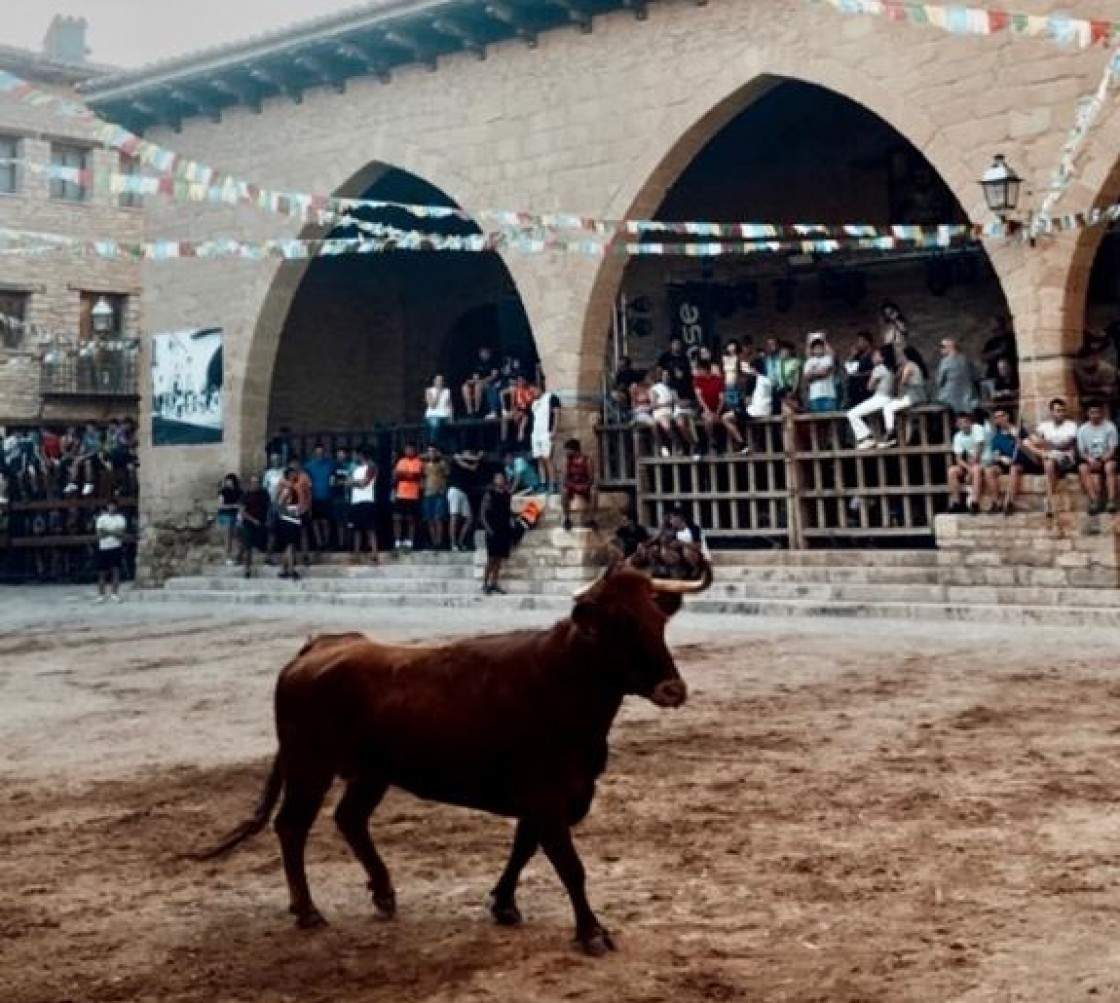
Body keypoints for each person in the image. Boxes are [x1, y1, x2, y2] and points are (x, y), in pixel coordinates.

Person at [1017, 397, 1079, 518]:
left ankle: (1048, 497)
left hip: (1065, 457)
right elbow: (1033, 440)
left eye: (1063, 410)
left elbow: (1066, 444)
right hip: (1048, 457)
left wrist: (1045, 443)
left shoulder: (1071, 425)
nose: (1061, 413)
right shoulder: (1045, 426)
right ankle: (1049, 499)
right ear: (1052, 412)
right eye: (1058, 410)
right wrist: (1040, 444)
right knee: (1026, 443)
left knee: (1049, 458)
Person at [846, 345, 896, 449]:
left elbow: (869, 387)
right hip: (889, 398)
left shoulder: (878, 368)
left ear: (882, 358)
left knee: (851, 413)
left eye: (876, 355)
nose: (873, 357)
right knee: (872, 417)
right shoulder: (890, 368)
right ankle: (880, 440)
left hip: (880, 397)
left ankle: (866, 437)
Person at [880, 346, 929, 447]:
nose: (900, 358)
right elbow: (897, 377)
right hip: (917, 395)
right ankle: (907, 441)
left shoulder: (910, 365)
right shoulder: (911, 365)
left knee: (888, 407)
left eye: (901, 356)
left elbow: (903, 381)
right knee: (907, 417)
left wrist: (900, 396)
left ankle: (890, 431)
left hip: (913, 396)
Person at [983, 406, 1028, 515]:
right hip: (1005, 464)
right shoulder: (996, 438)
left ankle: (1010, 502)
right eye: (996, 417)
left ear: (1007, 416)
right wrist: (1002, 458)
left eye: (1001, 416)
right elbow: (996, 455)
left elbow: (1028, 448)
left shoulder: (1019, 431)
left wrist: (1017, 437)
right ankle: (996, 502)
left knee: (1014, 469)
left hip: (1021, 462)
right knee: (989, 470)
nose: (999, 419)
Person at [1077, 401, 1119, 515]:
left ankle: (1111, 501)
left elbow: (1112, 449)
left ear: (1101, 413)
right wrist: (1090, 459)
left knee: (1110, 467)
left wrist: (1102, 460)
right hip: (1090, 459)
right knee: (1082, 468)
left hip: (1106, 458)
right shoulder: (1082, 429)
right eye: (1092, 412)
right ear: (1088, 413)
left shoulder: (1110, 427)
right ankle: (1094, 501)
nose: (1095, 415)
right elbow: (1081, 451)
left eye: (1097, 412)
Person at [479, 470, 513, 595]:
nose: (500, 480)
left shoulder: (507, 495)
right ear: (494, 480)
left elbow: (508, 511)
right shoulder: (490, 494)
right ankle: (485, 583)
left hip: (504, 529)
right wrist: (488, 529)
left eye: (502, 478)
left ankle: (494, 583)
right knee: (491, 558)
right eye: (498, 478)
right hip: (493, 529)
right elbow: (483, 513)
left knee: (499, 559)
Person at [947, 411, 987, 514]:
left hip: (985, 460)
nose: (963, 425)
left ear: (970, 422)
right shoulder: (957, 436)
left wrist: (970, 471)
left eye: (966, 422)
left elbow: (979, 450)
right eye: (960, 423)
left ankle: (975, 502)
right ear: (957, 425)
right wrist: (968, 469)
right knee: (952, 471)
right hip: (970, 463)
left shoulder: (977, 429)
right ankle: (956, 503)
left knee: (976, 469)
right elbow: (958, 458)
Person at [348, 446, 379, 563]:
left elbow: (364, 483)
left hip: (367, 500)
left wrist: (353, 483)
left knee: (370, 529)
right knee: (356, 529)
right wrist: (354, 482)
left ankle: (374, 554)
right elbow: (348, 483)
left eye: (356, 454)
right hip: (356, 501)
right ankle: (356, 554)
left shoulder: (371, 466)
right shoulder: (355, 469)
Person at [94, 495, 127, 602]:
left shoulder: (120, 518)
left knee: (115, 571)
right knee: (101, 572)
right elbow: (99, 534)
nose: (111, 508)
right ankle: (101, 595)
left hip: (115, 547)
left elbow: (121, 534)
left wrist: (107, 531)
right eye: (110, 506)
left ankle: (115, 594)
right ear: (107, 507)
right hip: (103, 548)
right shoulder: (101, 518)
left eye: (113, 506)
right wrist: (113, 532)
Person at [448, 449, 482, 551]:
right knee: (454, 517)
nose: (470, 455)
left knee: (469, 519)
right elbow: (467, 464)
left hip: (464, 492)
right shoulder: (457, 458)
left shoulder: (470, 462)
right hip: (455, 490)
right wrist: (478, 457)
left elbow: (474, 468)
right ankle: (453, 543)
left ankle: (460, 541)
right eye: (468, 453)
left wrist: (477, 459)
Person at [560, 438, 598, 532]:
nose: (566, 452)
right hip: (572, 485)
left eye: (567, 450)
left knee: (594, 492)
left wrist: (586, 485)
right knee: (564, 491)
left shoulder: (587, 460)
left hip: (584, 484)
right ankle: (567, 518)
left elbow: (591, 477)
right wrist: (572, 485)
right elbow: (564, 478)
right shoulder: (567, 460)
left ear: (573, 450)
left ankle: (592, 519)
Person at [238, 474, 270, 579]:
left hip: (262, 522)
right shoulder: (245, 495)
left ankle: (268, 558)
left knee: (267, 541)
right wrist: (253, 520)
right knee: (248, 547)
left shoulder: (264, 494)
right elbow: (242, 512)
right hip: (248, 523)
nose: (255, 484)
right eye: (253, 482)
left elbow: (268, 507)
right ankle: (247, 569)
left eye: (257, 482)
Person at [529, 384, 561, 490]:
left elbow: (557, 414)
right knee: (539, 459)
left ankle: (553, 483)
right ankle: (543, 483)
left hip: (546, 432)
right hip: (536, 433)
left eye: (533, 391)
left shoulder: (551, 397)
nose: (532, 393)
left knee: (548, 458)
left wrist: (554, 430)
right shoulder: (534, 403)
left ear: (539, 388)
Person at [392, 443, 423, 551]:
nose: (408, 451)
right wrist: (406, 475)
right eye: (407, 449)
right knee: (397, 518)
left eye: (411, 449)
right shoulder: (401, 461)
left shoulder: (418, 462)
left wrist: (404, 474)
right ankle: (397, 541)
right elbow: (397, 475)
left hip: (412, 495)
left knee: (411, 519)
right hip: (400, 494)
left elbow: (415, 475)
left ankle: (410, 541)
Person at [935, 338, 978, 415]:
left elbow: (939, 382)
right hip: (967, 398)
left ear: (951, 347)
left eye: (942, 346)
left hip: (949, 398)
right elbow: (975, 377)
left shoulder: (945, 361)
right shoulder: (966, 360)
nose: (940, 349)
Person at [304, 444, 334, 552]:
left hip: (327, 496)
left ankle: (326, 542)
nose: (319, 455)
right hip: (314, 497)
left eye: (321, 452)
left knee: (326, 521)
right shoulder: (309, 466)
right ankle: (319, 542)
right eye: (317, 453)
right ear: (314, 454)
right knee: (315, 521)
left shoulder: (330, 464)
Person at [692, 359, 725, 455]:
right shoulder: (697, 380)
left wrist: (718, 412)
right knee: (708, 419)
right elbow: (699, 397)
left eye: (699, 369)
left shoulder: (718, 380)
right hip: (705, 408)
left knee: (715, 418)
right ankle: (711, 440)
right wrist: (707, 409)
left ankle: (714, 442)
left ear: (705, 370)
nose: (697, 372)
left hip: (718, 407)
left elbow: (722, 398)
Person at [421, 445, 450, 550]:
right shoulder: (424, 465)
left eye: (433, 451)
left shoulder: (442, 463)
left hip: (439, 493)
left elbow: (447, 473)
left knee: (438, 518)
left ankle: (439, 542)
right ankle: (433, 542)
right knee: (429, 519)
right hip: (428, 493)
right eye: (429, 451)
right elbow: (423, 477)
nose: (431, 453)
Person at [802, 333, 838, 413]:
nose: (818, 350)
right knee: (816, 420)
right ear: (813, 350)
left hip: (829, 395)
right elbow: (807, 377)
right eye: (816, 348)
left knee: (831, 419)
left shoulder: (828, 359)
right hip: (814, 396)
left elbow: (825, 373)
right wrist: (818, 373)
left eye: (820, 347)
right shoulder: (809, 362)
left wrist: (813, 373)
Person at [461, 345, 500, 418]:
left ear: (489, 353)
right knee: (464, 387)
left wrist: (482, 381)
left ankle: (477, 410)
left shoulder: (493, 362)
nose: (483, 354)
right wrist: (470, 381)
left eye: (484, 352)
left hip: (489, 384)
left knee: (477, 387)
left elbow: (493, 376)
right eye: (481, 352)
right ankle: (470, 411)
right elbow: (475, 377)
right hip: (479, 382)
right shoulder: (477, 363)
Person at [329, 447, 354, 550]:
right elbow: (332, 482)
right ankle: (341, 543)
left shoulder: (350, 467)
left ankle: (349, 543)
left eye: (342, 454)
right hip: (337, 498)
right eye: (339, 455)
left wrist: (343, 483)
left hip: (348, 498)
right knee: (339, 522)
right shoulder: (333, 467)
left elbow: (352, 482)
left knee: (348, 522)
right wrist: (343, 483)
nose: (340, 457)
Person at [216, 473, 242, 563]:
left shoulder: (239, 492)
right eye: (227, 481)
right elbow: (220, 505)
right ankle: (228, 557)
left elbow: (241, 504)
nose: (228, 483)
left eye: (230, 481)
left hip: (235, 515)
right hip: (225, 515)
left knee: (236, 536)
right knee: (227, 537)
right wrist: (232, 506)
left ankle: (236, 556)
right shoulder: (223, 491)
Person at [844, 332, 875, 408]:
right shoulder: (858, 355)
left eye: (860, 341)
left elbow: (874, 371)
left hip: (867, 389)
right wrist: (852, 355)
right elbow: (847, 368)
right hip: (855, 390)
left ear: (867, 342)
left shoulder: (873, 355)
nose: (858, 344)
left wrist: (859, 375)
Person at [424, 374, 453, 446]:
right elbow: (432, 405)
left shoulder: (447, 391)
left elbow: (450, 405)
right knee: (435, 425)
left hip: (445, 415)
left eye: (441, 380)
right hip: (433, 415)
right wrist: (438, 393)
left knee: (450, 429)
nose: (440, 382)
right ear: (434, 381)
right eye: (438, 380)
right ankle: (433, 446)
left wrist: (451, 416)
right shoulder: (429, 391)